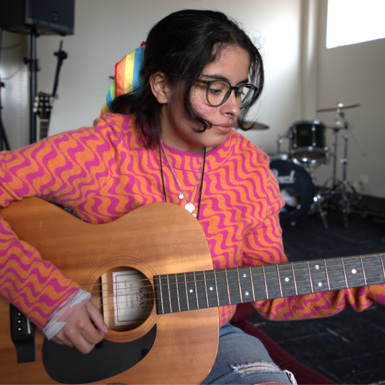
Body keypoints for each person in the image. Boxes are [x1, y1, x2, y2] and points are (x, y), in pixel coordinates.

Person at [0, 9, 384, 384]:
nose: (233, 108)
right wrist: (48, 299)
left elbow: (272, 291)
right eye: (215, 89)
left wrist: (366, 283)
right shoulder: (101, 151)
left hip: (211, 339)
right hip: (86, 352)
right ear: (163, 86)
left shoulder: (249, 169)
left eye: (240, 90)